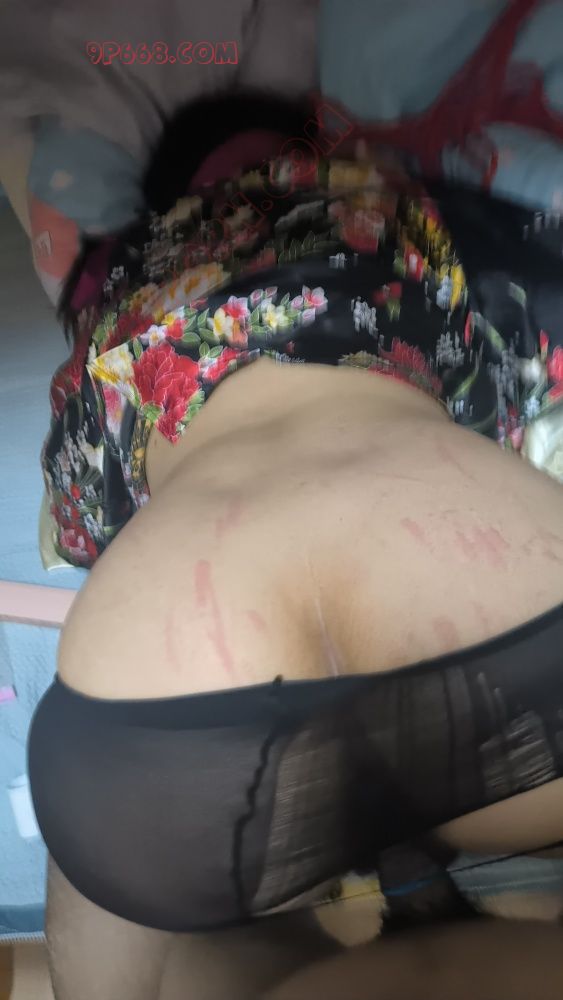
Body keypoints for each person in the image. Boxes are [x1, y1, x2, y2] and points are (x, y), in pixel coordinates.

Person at [28, 101, 563, 999]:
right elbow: (511, 353)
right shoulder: (378, 202)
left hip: (180, 717)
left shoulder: (121, 294)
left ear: (164, 201)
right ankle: (409, 860)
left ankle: (364, 876)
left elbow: (79, 520)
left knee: (186, 953)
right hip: (502, 645)